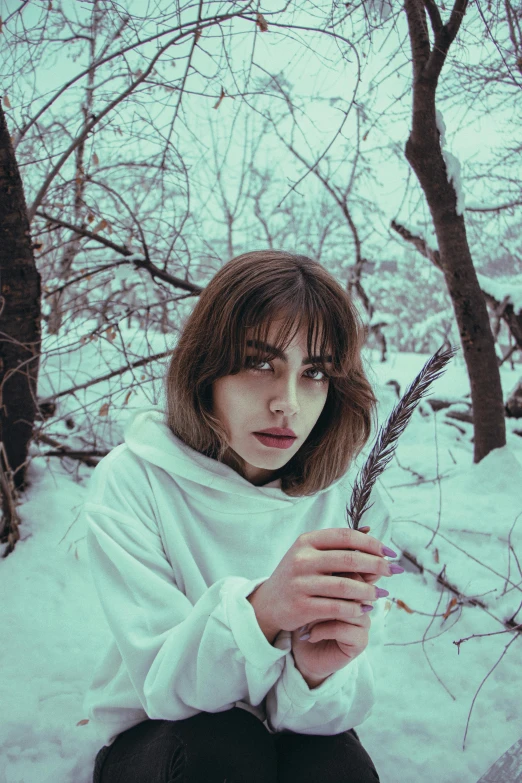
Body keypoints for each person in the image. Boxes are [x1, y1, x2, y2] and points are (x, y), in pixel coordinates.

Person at [81, 250, 402, 783]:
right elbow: (163, 685)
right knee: (225, 748)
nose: (289, 404)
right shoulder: (134, 480)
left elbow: (328, 715)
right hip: (164, 743)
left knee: (338, 766)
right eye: (260, 363)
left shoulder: (350, 503)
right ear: (206, 368)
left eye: (315, 372)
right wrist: (262, 610)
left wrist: (315, 674)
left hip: (290, 742)